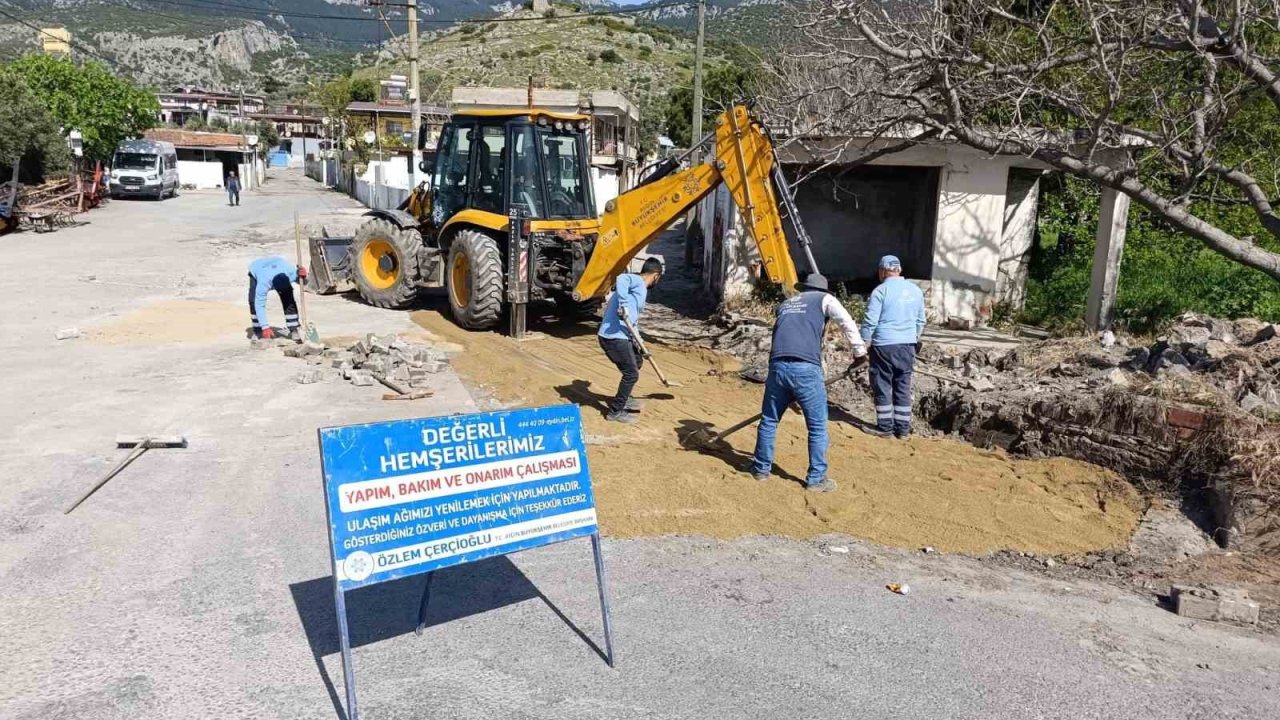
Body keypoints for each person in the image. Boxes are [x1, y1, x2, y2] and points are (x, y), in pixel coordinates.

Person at [749, 273, 867, 492]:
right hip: (806, 368)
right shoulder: (825, 300)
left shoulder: (786, 303)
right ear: (823, 290)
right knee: (817, 427)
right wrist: (860, 353)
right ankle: (816, 479)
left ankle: (760, 469)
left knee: (769, 420)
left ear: (803, 288)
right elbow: (846, 321)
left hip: (777, 366)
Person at [860, 255, 926, 438]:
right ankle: (903, 430)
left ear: (882, 271)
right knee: (903, 386)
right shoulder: (916, 291)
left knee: (882, 385)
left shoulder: (880, 291)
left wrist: (863, 343)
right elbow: (921, 320)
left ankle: (885, 427)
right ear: (899, 270)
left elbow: (870, 321)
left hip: (884, 346)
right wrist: (912, 338)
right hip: (907, 346)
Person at [597, 257, 664, 424]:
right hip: (612, 338)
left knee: (637, 360)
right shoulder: (636, 280)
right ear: (656, 276)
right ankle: (615, 412)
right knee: (631, 373)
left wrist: (641, 345)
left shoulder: (639, 291)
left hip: (622, 336)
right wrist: (624, 305)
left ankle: (624, 397)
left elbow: (632, 322)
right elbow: (622, 278)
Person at [248, 256, 306, 340]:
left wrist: (303, 276)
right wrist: (265, 327)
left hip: (278, 263)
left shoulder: (292, 271)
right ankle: (258, 330)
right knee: (253, 301)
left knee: (289, 298)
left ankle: (294, 328)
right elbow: (259, 304)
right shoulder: (263, 283)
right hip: (257, 267)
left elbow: (304, 283)